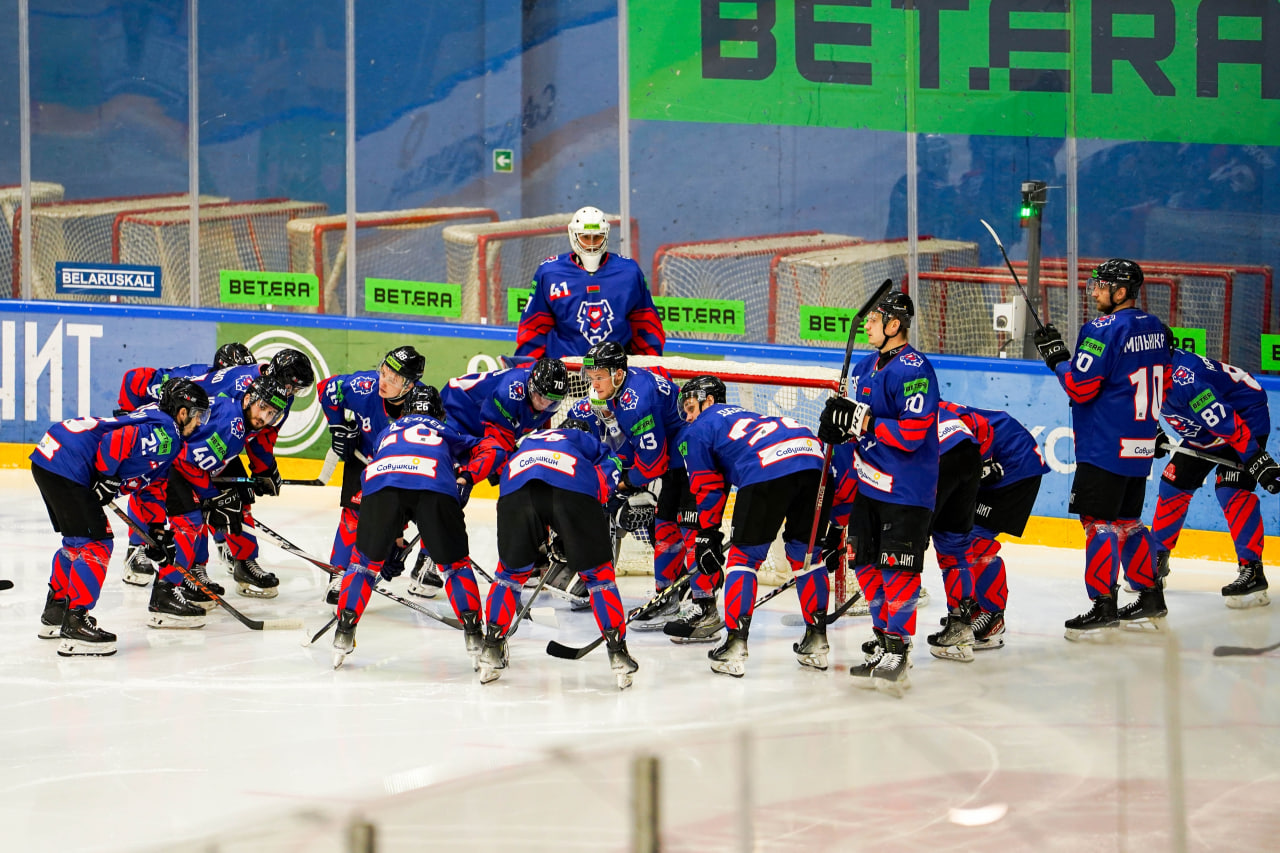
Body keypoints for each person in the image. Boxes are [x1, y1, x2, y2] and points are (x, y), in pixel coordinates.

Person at [1032, 259, 1170, 639]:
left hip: (1104, 445)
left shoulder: (1102, 328)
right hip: (1140, 444)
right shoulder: (1156, 328)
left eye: (1102, 285)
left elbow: (1080, 387)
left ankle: (1103, 604)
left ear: (1121, 291)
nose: (1094, 291)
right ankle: (1150, 595)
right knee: (1128, 522)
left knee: (1098, 523)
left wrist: (1058, 359)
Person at [31, 378, 209, 656]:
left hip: (52, 456)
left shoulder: (159, 424)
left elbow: (152, 487)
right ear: (183, 412)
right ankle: (76, 622)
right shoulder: (168, 432)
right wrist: (107, 476)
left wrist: (155, 530)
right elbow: (116, 441)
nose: (199, 423)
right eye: (198, 415)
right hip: (69, 463)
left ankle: (57, 612)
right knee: (97, 543)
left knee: (77, 542)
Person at [819, 289, 939, 695]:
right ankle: (884, 640)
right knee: (866, 566)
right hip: (868, 485)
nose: (867, 325)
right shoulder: (865, 366)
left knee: (897, 571)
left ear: (894, 324)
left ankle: (899, 649)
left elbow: (912, 434)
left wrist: (865, 421)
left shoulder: (915, 369)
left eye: (875, 320)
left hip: (906, 490)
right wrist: (841, 427)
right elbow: (858, 425)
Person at [678, 375, 832, 677]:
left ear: (709, 401)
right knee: (808, 556)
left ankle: (735, 645)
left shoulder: (699, 430)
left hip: (768, 468)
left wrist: (707, 533)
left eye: (691, 408)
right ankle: (817, 642)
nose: (688, 417)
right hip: (814, 460)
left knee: (743, 559)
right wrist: (837, 528)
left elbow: (707, 486)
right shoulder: (745, 415)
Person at [121, 346, 313, 586]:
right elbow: (138, 382)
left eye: (296, 389)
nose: (291, 392)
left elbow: (262, 435)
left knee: (237, 498)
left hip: (218, 443)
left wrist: (264, 469)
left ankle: (244, 561)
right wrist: (129, 419)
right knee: (184, 502)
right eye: (290, 386)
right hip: (183, 443)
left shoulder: (276, 395)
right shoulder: (233, 390)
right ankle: (145, 549)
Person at [477, 419, 637, 689]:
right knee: (599, 577)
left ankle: (490, 650)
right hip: (571, 489)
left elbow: (502, 469)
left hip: (515, 491)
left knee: (509, 575)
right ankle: (618, 654)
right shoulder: (583, 439)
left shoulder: (530, 439)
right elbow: (606, 475)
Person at [331, 385, 481, 669]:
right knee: (455, 566)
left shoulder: (386, 432)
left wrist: (393, 536)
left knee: (363, 565)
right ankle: (476, 637)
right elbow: (484, 450)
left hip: (380, 486)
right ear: (439, 413)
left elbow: (397, 477)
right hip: (434, 486)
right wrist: (465, 478)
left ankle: (343, 633)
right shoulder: (448, 431)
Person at [405, 358, 569, 597]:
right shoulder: (510, 393)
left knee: (523, 483)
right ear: (530, 385)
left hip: (484, 428)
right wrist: (469, 477)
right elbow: (496, 450)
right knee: (453, 490)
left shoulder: (541, 390)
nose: (545, 404)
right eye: (541, 397)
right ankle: (426, 563)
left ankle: (529, 558)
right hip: (455, 416)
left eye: (551, 400)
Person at [576, 341, 695, 632]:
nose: (594, 384)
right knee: (665, 527)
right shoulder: (623, 388)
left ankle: (703, 603)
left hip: (692, 460)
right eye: (591, 377)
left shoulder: (636, 404)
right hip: (675, 460)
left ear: (618, 374)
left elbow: (653, 464)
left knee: (689, 532)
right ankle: (669, 596)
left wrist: (624, 484)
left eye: (599, 377)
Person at [1151, 339, 1278, 608]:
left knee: (1232, 490)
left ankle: (1252, 570)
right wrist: (1152, 430)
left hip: (1243, 418)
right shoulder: (1143, 368)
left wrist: (1254, 457)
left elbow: (1224, 421)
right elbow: (1133, 403)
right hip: (1204, 429)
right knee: (1173, 484)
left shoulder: (1186, 380)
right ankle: (1156, 560)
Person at [160, 375, 296, 605]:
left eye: (271, 413)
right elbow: (185, 461)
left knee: (239, 499)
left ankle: (245, 563)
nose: (264, 417)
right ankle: (190, 572)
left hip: (201, 460)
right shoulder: (229, 427)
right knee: (195, 515)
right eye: (263, 407)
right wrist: (210, 496)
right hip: (173, 463)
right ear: (249, 399)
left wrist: (257, 475)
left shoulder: (243, 416)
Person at [319, 346, 425, 601]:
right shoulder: (363, 386)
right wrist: (338, 427)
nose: (383, 382)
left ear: (409, 385)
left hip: (403, 471)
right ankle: (338, 574)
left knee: (430, 513)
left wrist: (395, 536)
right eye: (383, 372)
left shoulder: (423, 406)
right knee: (353, 518)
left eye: (393, 379)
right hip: (364, 460)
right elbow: (326, 389)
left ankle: (427, 566)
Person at [944, 402, 1049, 650]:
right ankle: (977, 607)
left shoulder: (929, 417)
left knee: (976, 541)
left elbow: (979, 425)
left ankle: (993, 617)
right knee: (962, 537)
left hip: (1015, 463)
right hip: (999, 459)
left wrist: (983, 462)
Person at [514, 206, 665, 360]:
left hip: (615, 368)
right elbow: (534, 326)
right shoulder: (550, 273)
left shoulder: (629, 272)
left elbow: (646, 325)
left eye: (597, 237)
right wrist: (526, 367)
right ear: (573, 235)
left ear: (606, 235)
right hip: (565, 368)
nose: (592, 244)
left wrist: (650, 365)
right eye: (585, 237)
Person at [924, 403, 984, 663]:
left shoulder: (881, 406)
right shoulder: (930, 401)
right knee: (955, 545)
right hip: (970, 451)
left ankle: (894, 640)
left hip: (941, 457)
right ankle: (961, 627)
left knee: (907, 543)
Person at [115, 342, 255, 414]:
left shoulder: (222, 386)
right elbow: (134, 378)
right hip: (140, 404)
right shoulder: (191, 382)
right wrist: (130, 415)